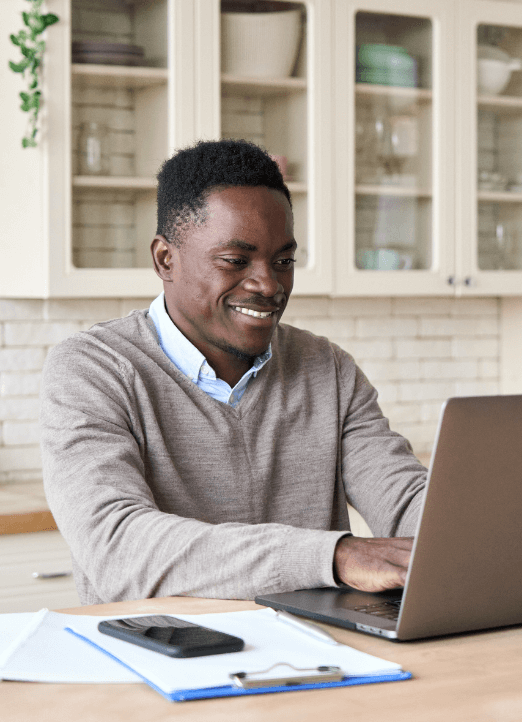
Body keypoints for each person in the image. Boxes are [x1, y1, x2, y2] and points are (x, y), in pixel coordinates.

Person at [40, 139, 427, 605]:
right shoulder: (93, 370)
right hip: (160, 661)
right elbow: (118, 548)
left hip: (319, 654)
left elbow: (404, 499)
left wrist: (474, 530)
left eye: (283, 261)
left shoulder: (328, 368)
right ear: (166, 259)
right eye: (235, 261)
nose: (269, 284)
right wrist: (333, 555)